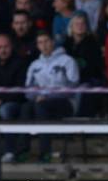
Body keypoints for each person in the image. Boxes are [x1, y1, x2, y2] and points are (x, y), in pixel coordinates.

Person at [22, 31, 80, 160]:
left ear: (53, 42)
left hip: (66, 102)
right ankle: (23, 151)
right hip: (41, 101)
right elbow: (28, 90)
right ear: (37, 45)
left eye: (46, 41)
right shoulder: (35, 65)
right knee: (25, 108)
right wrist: (36, 96)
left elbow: (72, 88)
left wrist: (49, 96)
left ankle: (45, 152)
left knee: (41, 106)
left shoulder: (67, 61)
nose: (44, 45)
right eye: (40, 42)